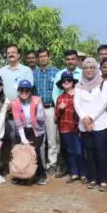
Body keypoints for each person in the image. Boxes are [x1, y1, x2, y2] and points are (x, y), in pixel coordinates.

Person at [75, 58, 107, 191]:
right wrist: (84, 118)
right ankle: (93, 178)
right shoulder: (79, 85)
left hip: (100, 123)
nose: (89, 70)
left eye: (91, 67)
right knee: (88, 152)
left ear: (96, 68)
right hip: (84, 124)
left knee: (100, 152)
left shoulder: (103, 83)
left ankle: (103, 179)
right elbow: (77, 104)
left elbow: (104, 103)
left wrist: (91, 118)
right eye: (86, 67)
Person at [52, 49, 83, 178]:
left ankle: (83, 172)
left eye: (72, 59)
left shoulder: (82, 73)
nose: (70, 61)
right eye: (68, 59)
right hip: (63, 117)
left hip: (78, 117)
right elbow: (55, 94)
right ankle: (69, 170)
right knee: (65, 145)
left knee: (79, 148)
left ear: (77, 60)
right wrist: (58, 109)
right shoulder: (59, 74)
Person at [11, 80, 48, 185]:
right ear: (18, 91)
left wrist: (39, 111)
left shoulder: (37, 100)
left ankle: (41, 174)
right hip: (22, 130)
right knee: (21, 153)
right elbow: (18, 122)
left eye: (27, 90)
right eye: (21, 90)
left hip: (36, 130)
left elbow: (42, 119)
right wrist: (23, 138)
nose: (24, 92)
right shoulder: (15, 103)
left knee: (34, 152)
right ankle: (20, 175)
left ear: (30, 91)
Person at [33, 48, 60, 174]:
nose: (43, 58)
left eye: (45, 56)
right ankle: (42, 164)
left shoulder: (56, 72)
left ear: (49, 57)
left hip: (51, 107)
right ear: (38, 58)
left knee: (52, 138)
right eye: (40, 56)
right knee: (40, 138)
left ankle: (53, 163)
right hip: (38, 109)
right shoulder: (34, 73)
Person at [55, 71, 84, 183]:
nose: (66, 82)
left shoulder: (79, 95)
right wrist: (59, 109)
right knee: (70, 151)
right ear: (61, 84)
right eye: (64, 81)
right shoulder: (60, 98)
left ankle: (83, 173)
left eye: (69, 80)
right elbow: (57, 116)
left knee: (79, 151)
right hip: (64, 128)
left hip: (77, 127)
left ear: (73, 82)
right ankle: (74, 173)